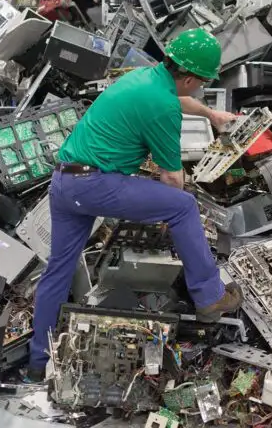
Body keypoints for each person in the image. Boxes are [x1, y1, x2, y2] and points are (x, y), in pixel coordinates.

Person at [26, 28, 244, 378]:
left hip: (65, 182)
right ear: (189, 78)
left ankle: (38, 364)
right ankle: (209, 296)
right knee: (183, 207)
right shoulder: (162, 108)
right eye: (201, 82)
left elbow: (179, 99)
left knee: (58, 272)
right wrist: (185, 222)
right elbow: (172, 178)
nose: (200, 87)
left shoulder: (146, 76)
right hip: (95, 184)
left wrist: (211, 116)